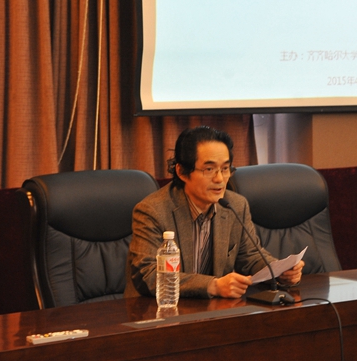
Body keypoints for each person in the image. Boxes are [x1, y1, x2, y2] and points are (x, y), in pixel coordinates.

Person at [125, 126, 304, 299]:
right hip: (158, 310)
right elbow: (148, 275)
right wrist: (212, 285)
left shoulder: (235, 205)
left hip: (213, 310)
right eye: (209, 169)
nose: (219, 179)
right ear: (182, 172)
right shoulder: (153, 211)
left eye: (225, 169)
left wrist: (279, 271)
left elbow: (250, 256)